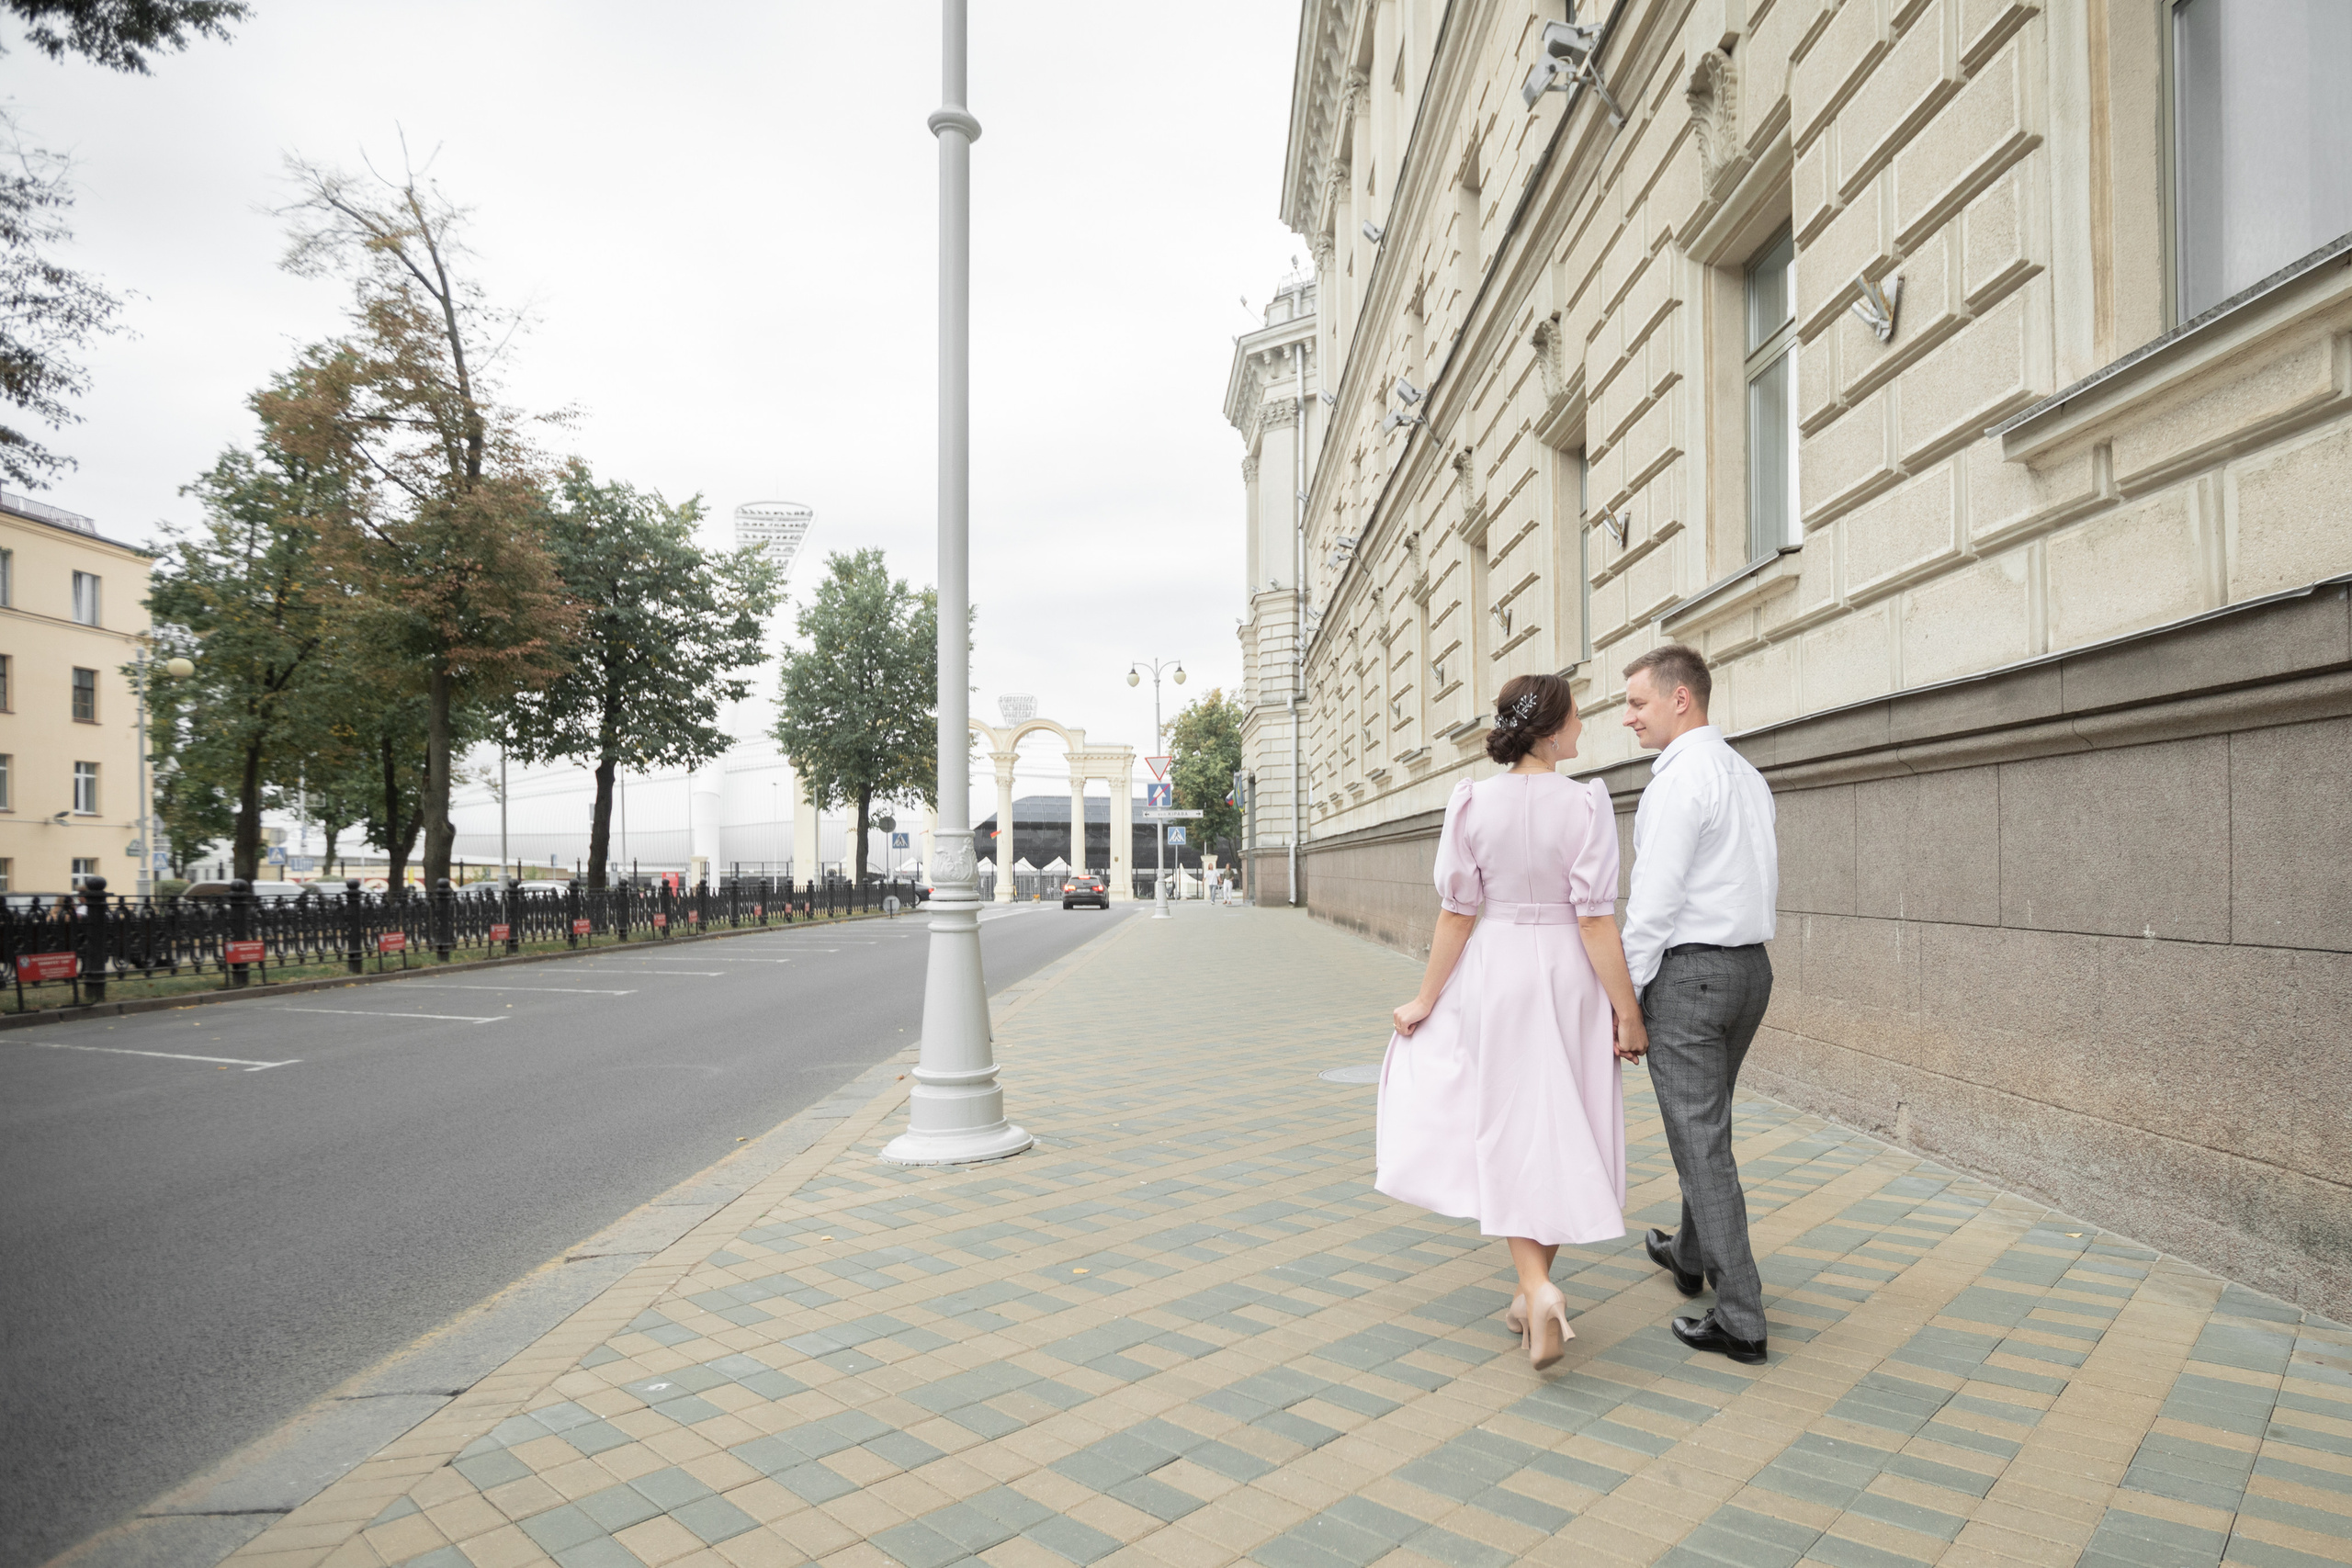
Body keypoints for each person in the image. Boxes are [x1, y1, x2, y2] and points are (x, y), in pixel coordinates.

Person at [1377, 673, 1648, 1371]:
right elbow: (1595, 919)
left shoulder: (1471, 801)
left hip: (1494, 973)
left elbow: (1456, 913)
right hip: (1568, 976)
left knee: (1504, 1124)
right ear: (1551, 730)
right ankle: (1538, 1286)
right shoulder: (1586, 803)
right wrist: (1627, 1012)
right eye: (1577, 717)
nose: (1584, 726)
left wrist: (1426, 998)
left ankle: (1535, 1294)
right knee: (1562, 1125)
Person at [1618, 644, 1779, 1365]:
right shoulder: (1745, 774)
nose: (1628, 717)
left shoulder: (1679, 781)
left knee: (1701, 1140)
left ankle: (1741, 1317)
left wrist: (1624, 999)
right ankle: (1688, 1253)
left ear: (1680, 698)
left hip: (1691, 978)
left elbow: (1652, 906)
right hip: (1750, 971)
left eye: (1638, 703)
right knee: (1705, 1124)